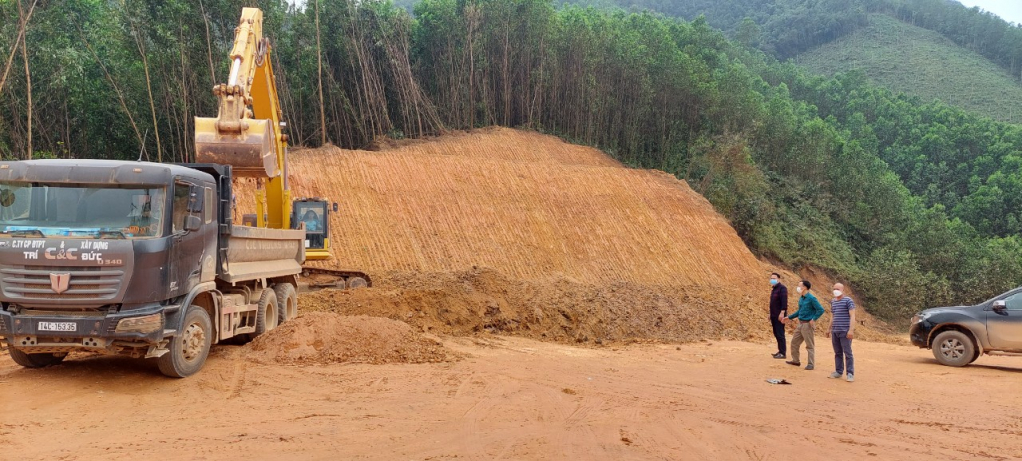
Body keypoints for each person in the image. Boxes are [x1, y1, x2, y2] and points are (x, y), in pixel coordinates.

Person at [782, 280, 824, 370]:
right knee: (794, 343)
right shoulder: (802, 298)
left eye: (799, 286)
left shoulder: (812, 298)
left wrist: (814, 319)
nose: (798, 287)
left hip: (807, 325)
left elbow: (820, 309)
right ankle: (795, 361)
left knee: (809, 345)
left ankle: (810, 364)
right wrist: (789, 317)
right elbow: (799, 311)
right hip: (800, 324)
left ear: (804, 287)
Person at [826, 283, 856, 382]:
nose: (835, 290)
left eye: (837, 289)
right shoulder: (833, 302)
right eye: (834, 288)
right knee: (837, 352)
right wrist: (828, 329)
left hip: (845, 331)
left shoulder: (848, 301)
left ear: (843, 290)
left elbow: (852, 316)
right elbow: (832, 316)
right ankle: (838, 371)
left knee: (848, 353)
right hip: (835, 331)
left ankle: (850, 373)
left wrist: (851, 330)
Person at [768, 272, 788, 359]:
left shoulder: (782, 288)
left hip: (780, 315)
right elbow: (773, 304)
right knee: (776, 333)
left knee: (780, 333)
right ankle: (780, 351)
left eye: (774, 278)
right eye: (771, 278)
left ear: (778, 279)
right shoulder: (774, 289)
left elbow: (784, 301)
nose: (772, 280)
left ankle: (783, 353)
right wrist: (770, 313)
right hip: (774, 314)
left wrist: (782, 312)